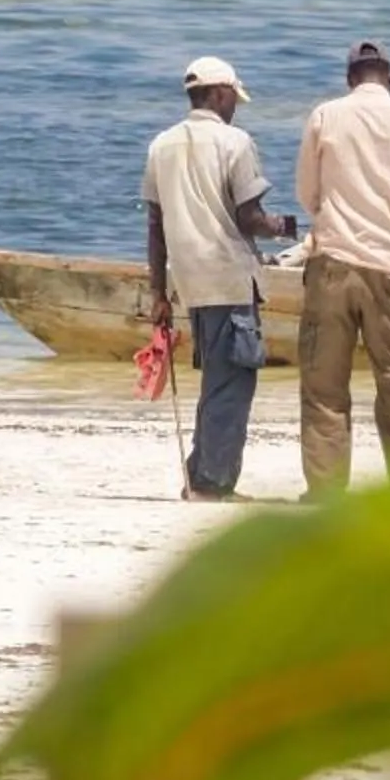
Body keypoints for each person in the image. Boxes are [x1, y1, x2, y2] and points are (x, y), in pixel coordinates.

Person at [295, 38, 390, 496]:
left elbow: (308, 192)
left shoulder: (325, 115)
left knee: (324, 388)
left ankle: (325, 491)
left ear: (349, 79)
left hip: (334, 264)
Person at [144, 56, 297, 501]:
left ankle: (199, 475)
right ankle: (212, 483)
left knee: (217, 378)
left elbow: (155, 225)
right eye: (233, 96)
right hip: (229, 277)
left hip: (190, 282)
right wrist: (283, 226)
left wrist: (158, 293)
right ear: (217, 93)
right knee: (234, 384)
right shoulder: (235, 142)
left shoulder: (161, 145)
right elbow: (249, 218)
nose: (236, 105)